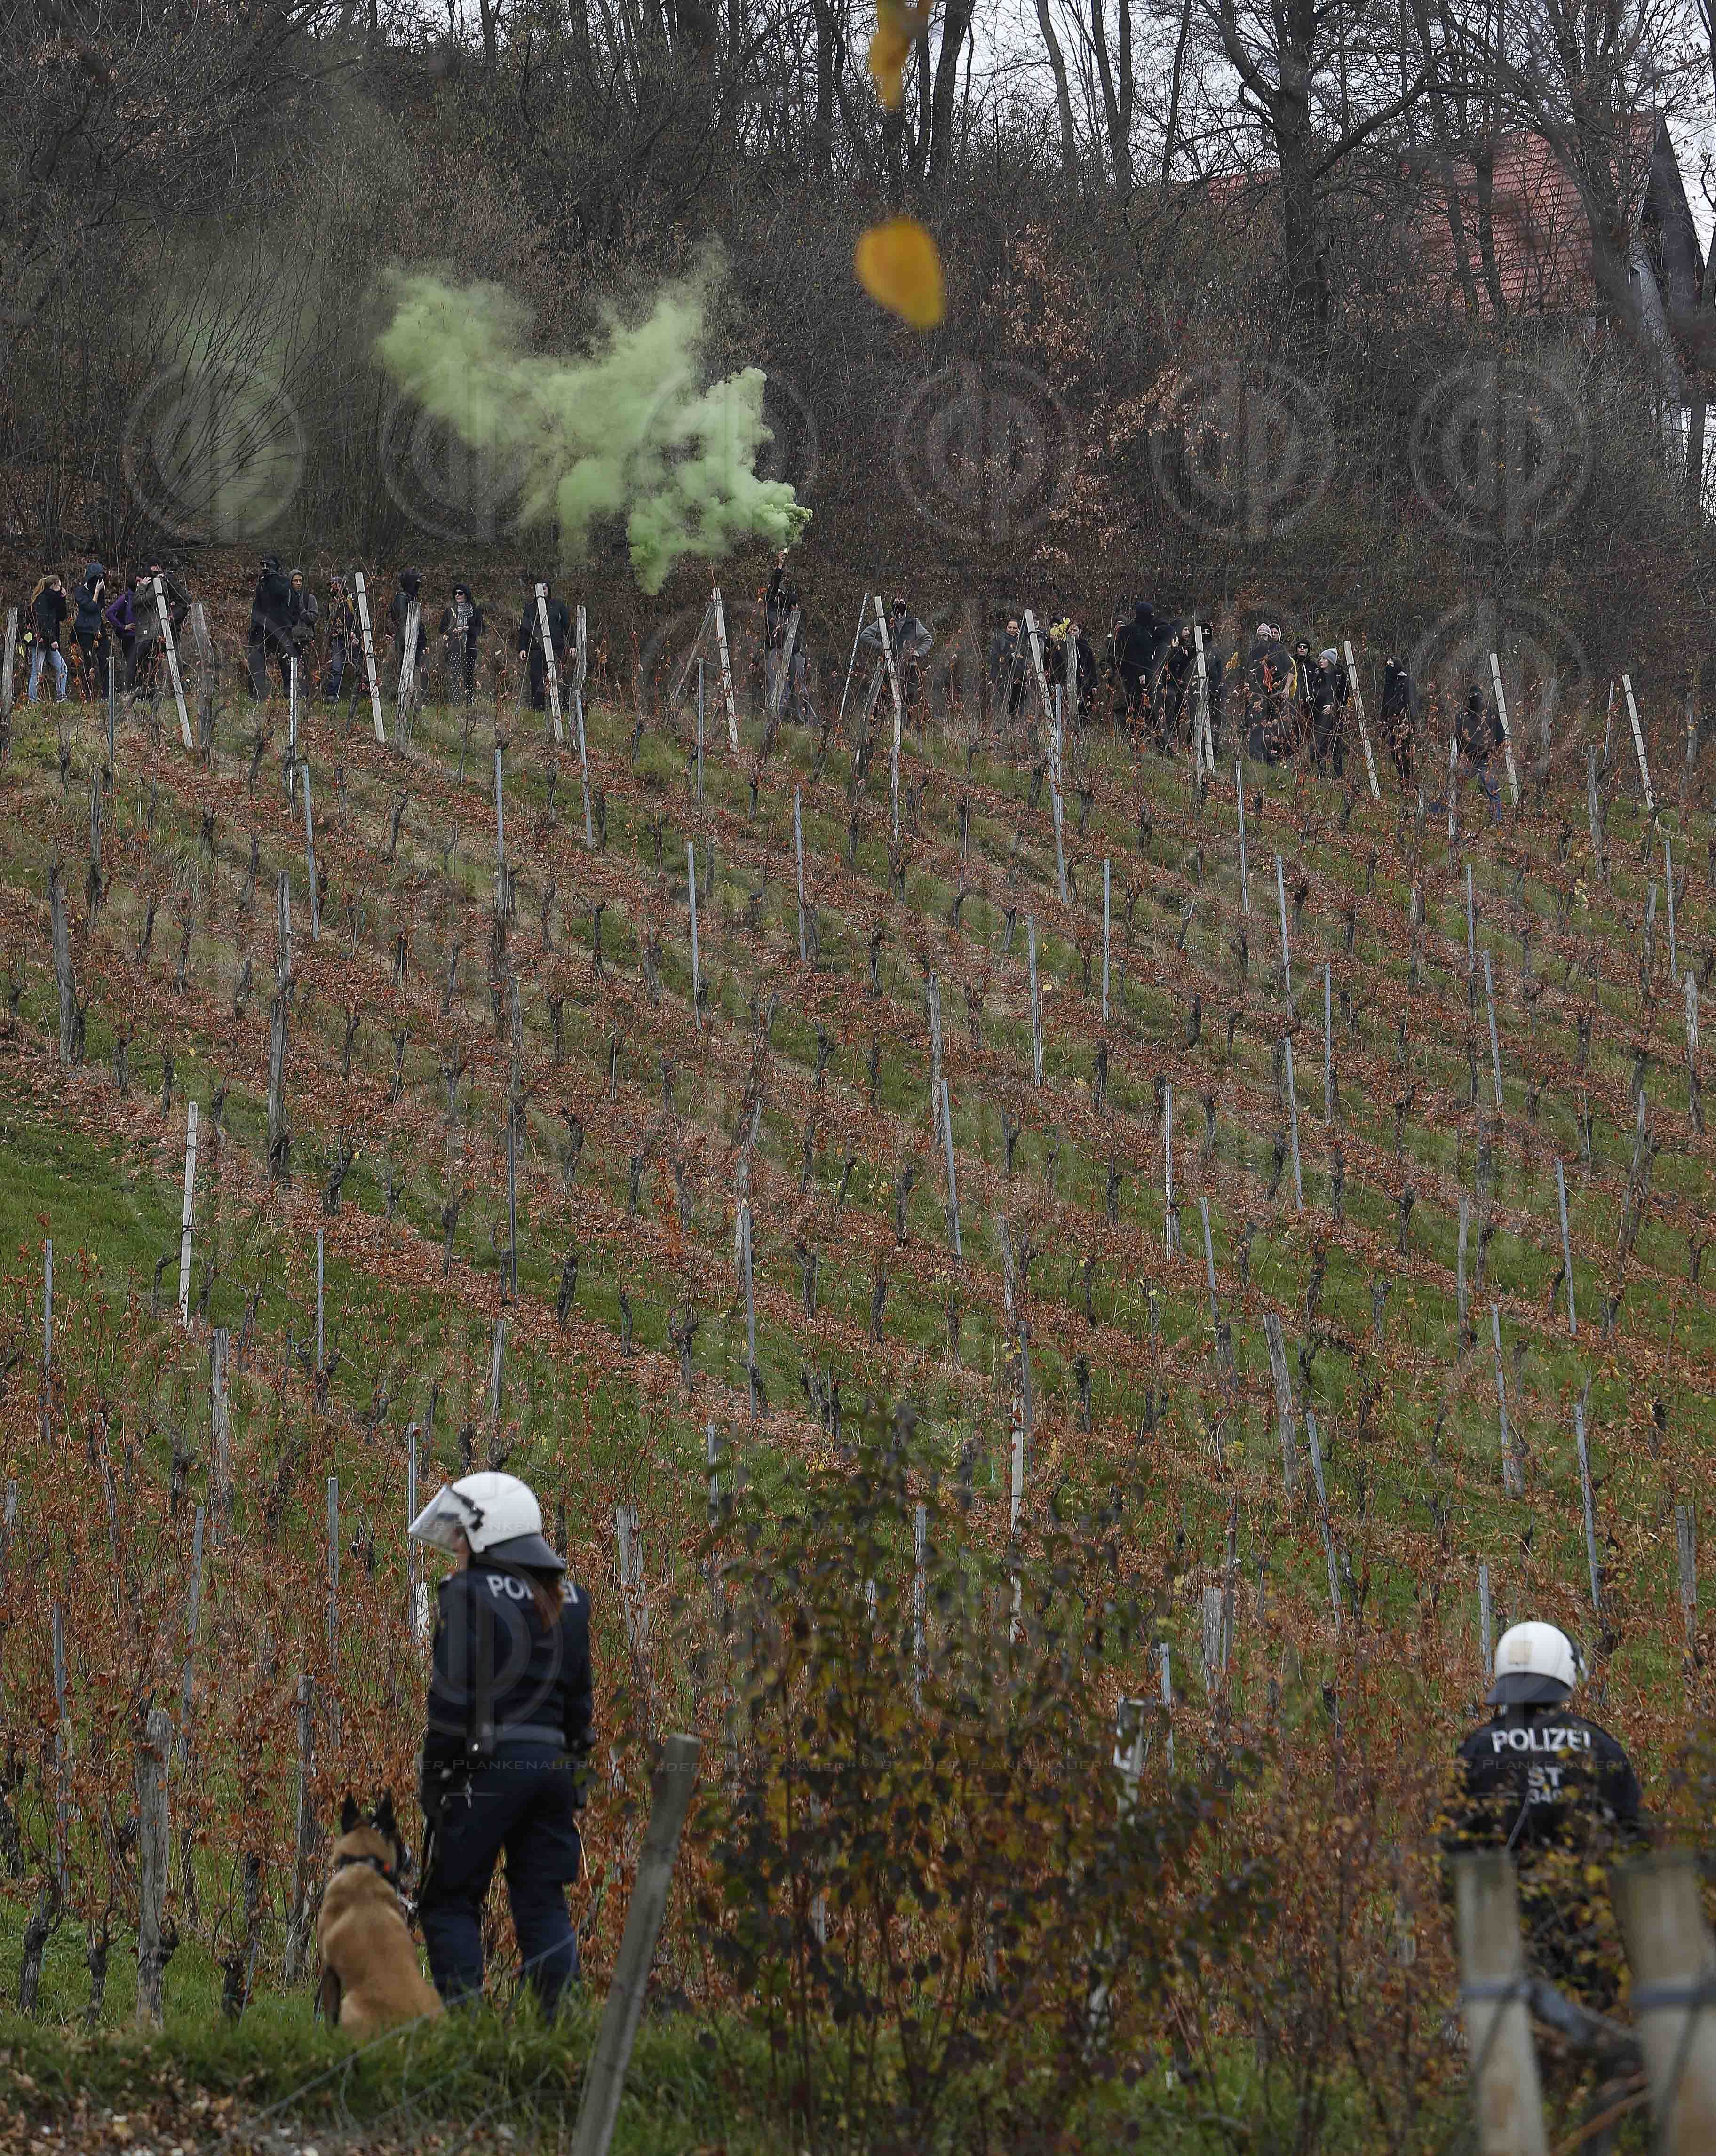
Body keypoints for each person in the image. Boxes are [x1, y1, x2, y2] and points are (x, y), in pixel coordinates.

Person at [409, 1472, 592, 2013]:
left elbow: (450, 1701)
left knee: (448, 1901)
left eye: (462, 1537)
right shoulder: (569, 1599)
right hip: (554, 1770)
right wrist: (575, 1780)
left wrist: (436, 1780)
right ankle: (563, 2034)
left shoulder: (466, 1593)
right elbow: (580, 1706)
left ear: (493, 1532)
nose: (457, 1550)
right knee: (542, 1903)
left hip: (487, 1767)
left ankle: (468, 2035)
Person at [1448, 1622, 1643, 2009]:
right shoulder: (1600, 1747)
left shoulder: (1476, 1750)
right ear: (1564, 1670)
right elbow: (1636, 1843)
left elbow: (1452, 1849)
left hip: (1499, 1938)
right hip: (1589, 1937)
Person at [517, 581, 572, 713]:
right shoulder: (530, 609)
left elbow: (568, 627)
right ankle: (538, 710)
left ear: (549, 589)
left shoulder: (558, 606)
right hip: (537, 651)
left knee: (558, 679)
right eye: (540, 588)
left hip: (557, 649)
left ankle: (561, 709)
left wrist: (573, 646)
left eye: (545, 587)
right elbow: (524, 631)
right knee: (537, 680)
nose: (543, 590)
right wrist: (522, 648)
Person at [248, 555, 294, 700]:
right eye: (263, 566)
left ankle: (289, 693)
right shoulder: (262, 585)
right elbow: (257, 607)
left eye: (268, 566)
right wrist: (254, 628)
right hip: (264, 629)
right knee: (256, 659)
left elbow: (280, 594)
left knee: (286, 661)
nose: (265, 569)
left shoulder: (284, 581)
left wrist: (273, 576)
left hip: (281, 628)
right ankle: (258, 694)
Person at [1456, 682, 1504, 819]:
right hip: (1469, 760)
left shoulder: (1490, 713)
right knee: (1455, 787)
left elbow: (1500, 735)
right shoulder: (1463, 715)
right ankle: (1444, 814)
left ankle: (1497, 820)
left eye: (1477, 697)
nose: (1475, 700)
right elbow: (1457, 737)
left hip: (1485, 760)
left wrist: (1493, 752)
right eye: (1473, 697)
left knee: (1493, 791)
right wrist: (1461, 754)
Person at [438, 583, 485, 705]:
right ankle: (455, 702)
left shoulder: (475, 611)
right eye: (456, 593)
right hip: (454, 647)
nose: (457, 596)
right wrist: (453, 631)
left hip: (470, 647)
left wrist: (469, 629)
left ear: (466, 595)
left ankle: (469, 702)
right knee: (455, 675)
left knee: (469, 675)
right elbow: (442, 628)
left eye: (460, 593)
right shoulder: (451, 611)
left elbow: (482, 629)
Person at [25, 574, 69, 702]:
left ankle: (61, 696)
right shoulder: (42, 600)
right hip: (40, 641)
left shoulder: (53, 601)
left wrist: (63, 600)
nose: (61, 589)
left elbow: (62, 617)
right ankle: (32, 700)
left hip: (49, 641)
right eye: (59, 586)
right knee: (37, 671)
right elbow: (42, 623)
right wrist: (52, 639)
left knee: (62, 668)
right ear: (53, 587)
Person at [389, 568, 429, 695]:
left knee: (416, 671)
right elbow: (403, 624)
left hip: (414, 642)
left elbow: (416, 623)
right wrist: (405, 644)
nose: (418, 585)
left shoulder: (411, 598)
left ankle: (413, 697)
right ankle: (403, 696)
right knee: (407, 671)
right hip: (407, 644)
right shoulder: (402, 598)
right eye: (416, 583)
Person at [71, 563, 106, 698]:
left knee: (105, 658)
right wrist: (96, 591)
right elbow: (91, 607)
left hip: (97, 628)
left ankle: (105, 693)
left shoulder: (100, 589)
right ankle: (87, 694)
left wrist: (99, 592)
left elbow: (100, 607)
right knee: (88, 660)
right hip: (84, 630)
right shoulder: (80, 591)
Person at [1380, 658, 1417, 785]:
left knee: (1405, 755)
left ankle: (1410, 784)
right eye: (1387, 665)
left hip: (1404, 725)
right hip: (1392, 725)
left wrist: (1411, 725)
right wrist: (1383, 723)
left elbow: (1412, 704)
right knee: (1394, 753)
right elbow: (1385, 704)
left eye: (1391, 665)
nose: (1388, 668)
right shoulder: (1389, 683)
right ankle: (1404, 780)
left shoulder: (1407, 682)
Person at [103, 575, 142, 686]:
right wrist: (123, 626)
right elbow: (109, 613)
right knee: (132, 665)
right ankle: (130, 690)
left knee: (141, 665)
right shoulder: (126, 598)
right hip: (129, 638)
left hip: (141, 636)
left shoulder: (142, 597)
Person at [324, 575, 357, 702]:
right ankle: (332, 696)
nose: (332, 588)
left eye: (334, 585)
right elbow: (329, 622)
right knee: (336, 668)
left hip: (352, 638)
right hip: (338, 640)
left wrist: (355, 633)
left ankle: (362, 695)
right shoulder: (332, 604)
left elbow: (357, 617)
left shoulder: (351, 599)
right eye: (331, 585)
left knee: (360, 666)